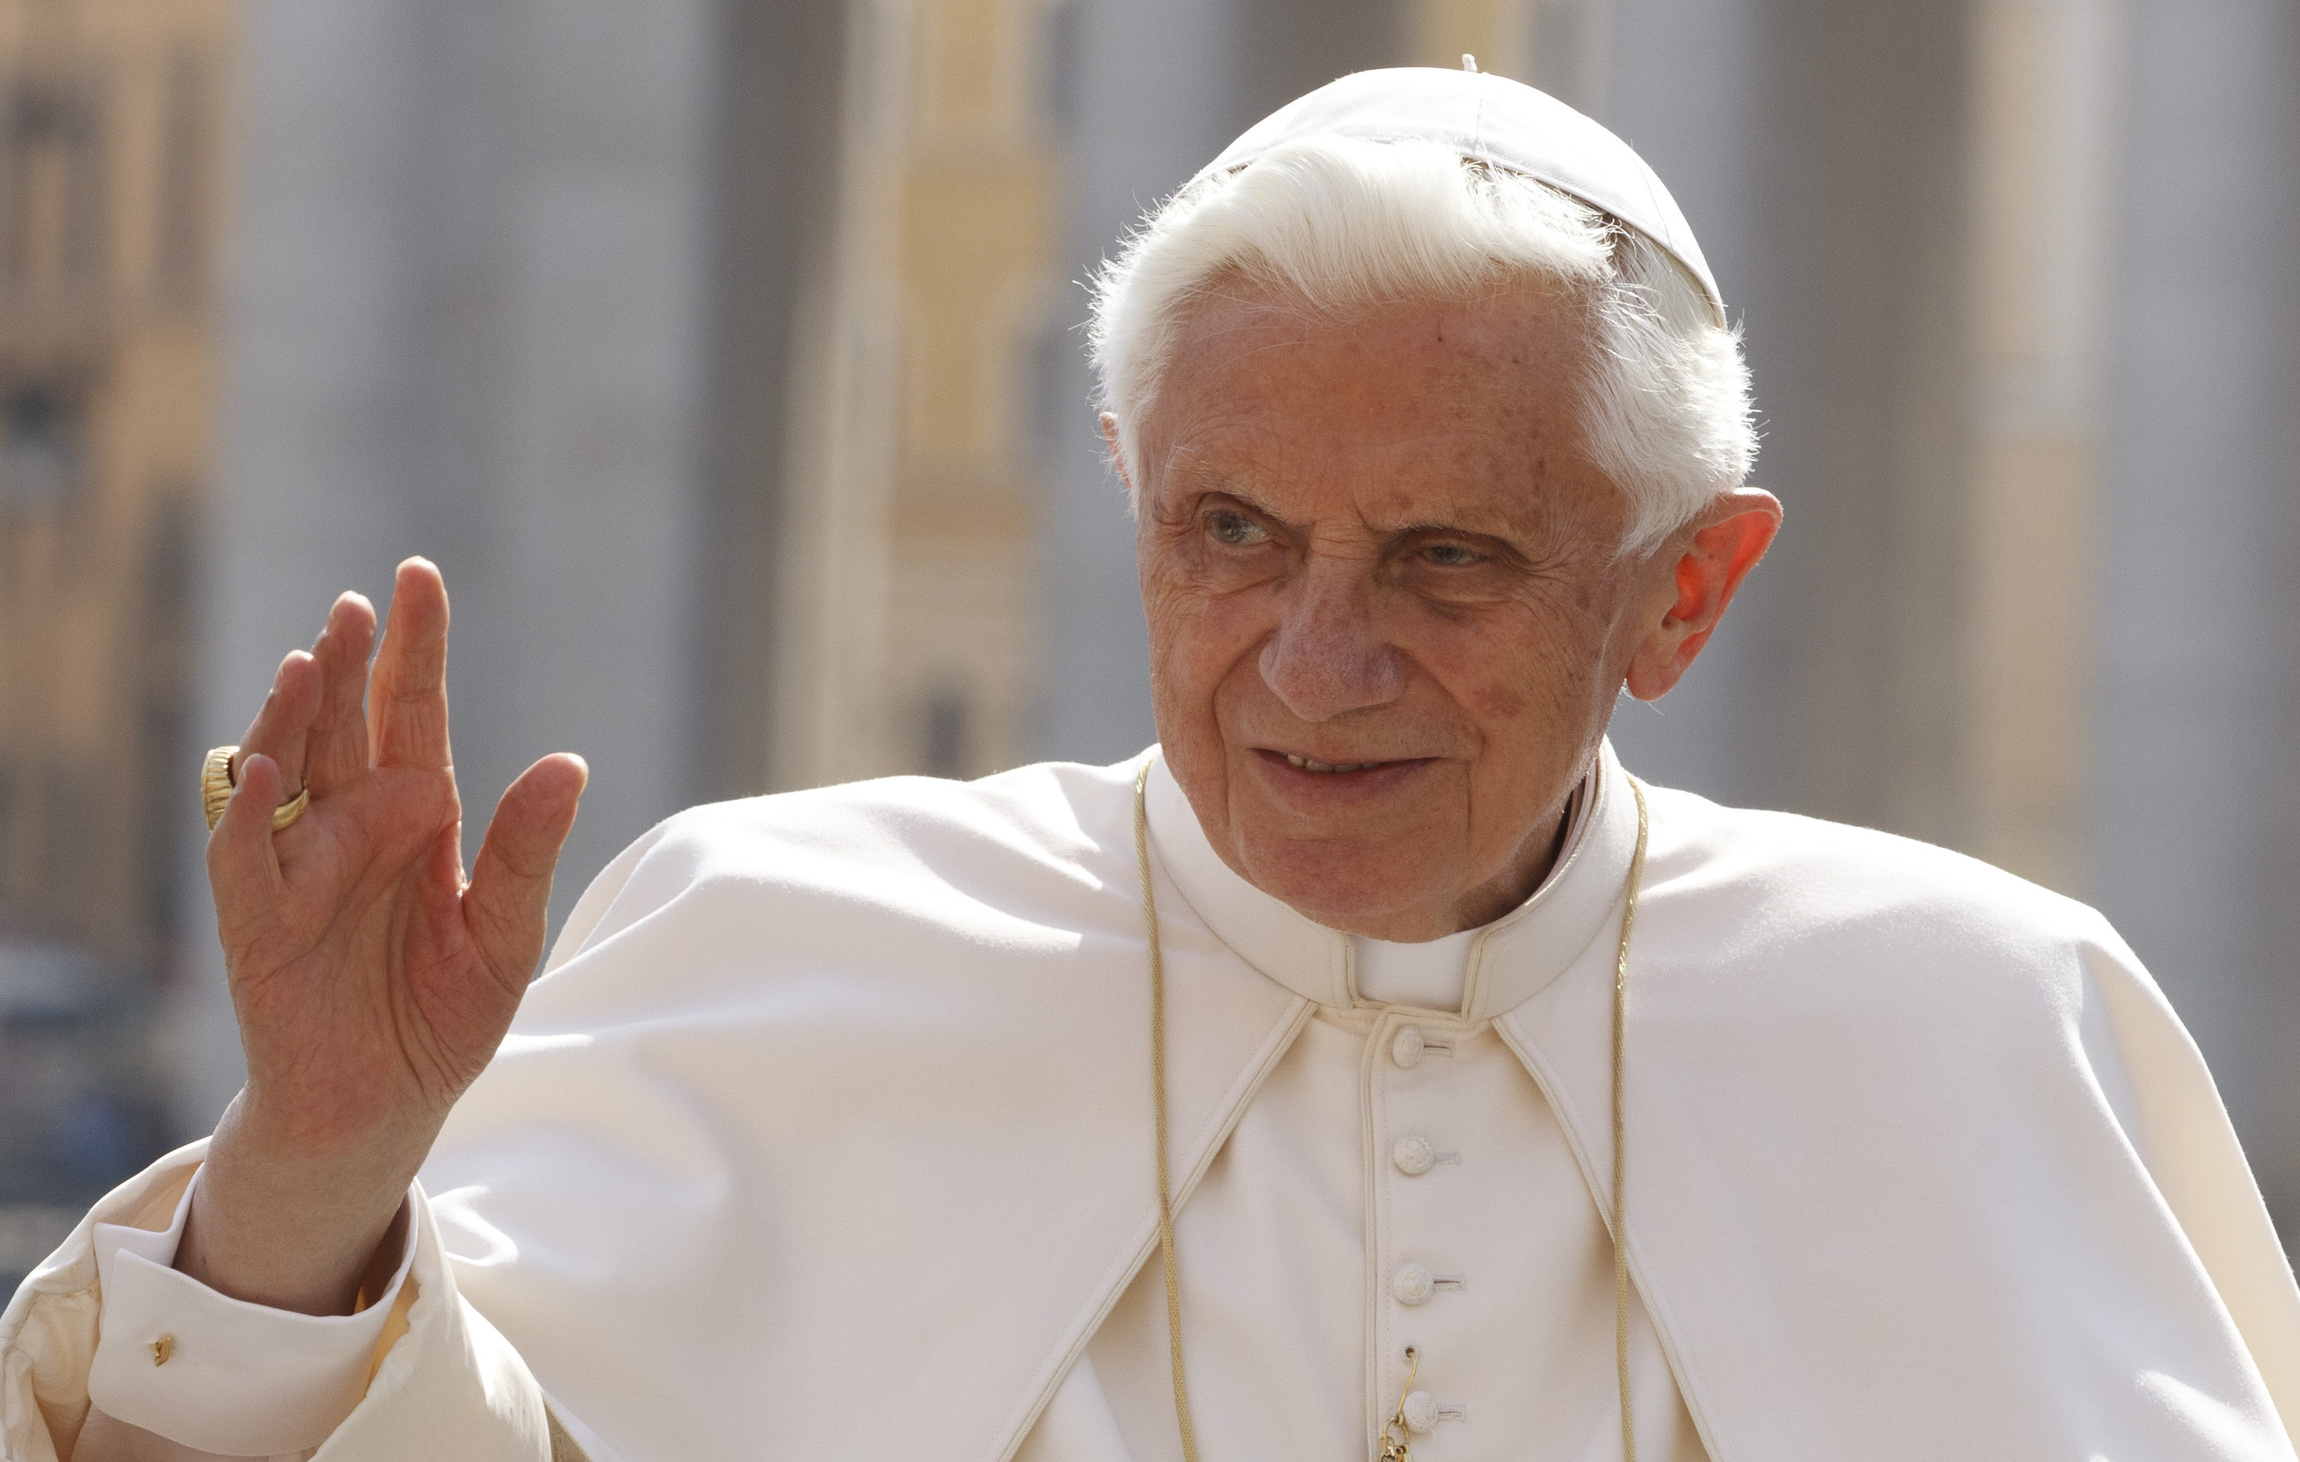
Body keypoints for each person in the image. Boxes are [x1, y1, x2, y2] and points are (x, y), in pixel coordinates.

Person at [5, 65, 2297, 1462]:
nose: (1314, 658)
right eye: (1228, 531)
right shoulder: (790, 945)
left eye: (1444, 556)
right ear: (1126, 487)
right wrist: (310, 1175)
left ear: (1677, 595)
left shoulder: (1971, 1023)